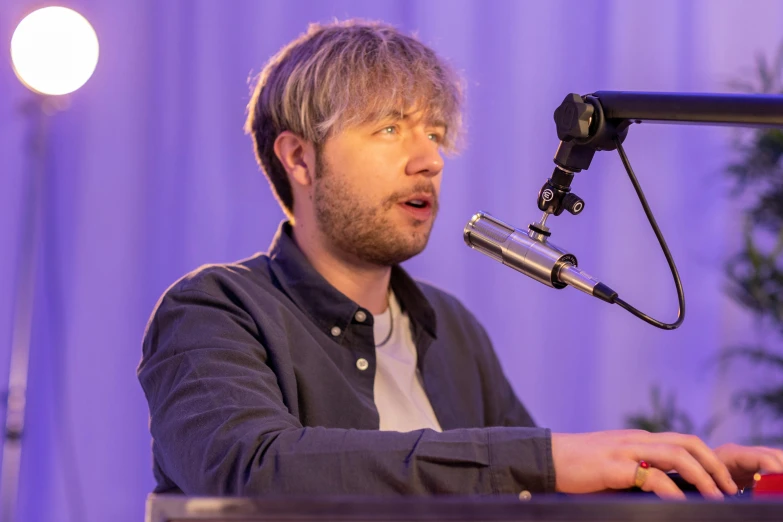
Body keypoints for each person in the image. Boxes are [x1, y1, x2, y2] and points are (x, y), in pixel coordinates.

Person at [137, 19, 783, 500]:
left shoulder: (450, 329)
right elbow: (255, 471)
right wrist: (542, 459)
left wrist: (688, 483)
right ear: (299, 158)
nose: (429, 159)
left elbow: (539, 492)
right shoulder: (213, 311)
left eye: (435, 133)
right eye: (389, 128)